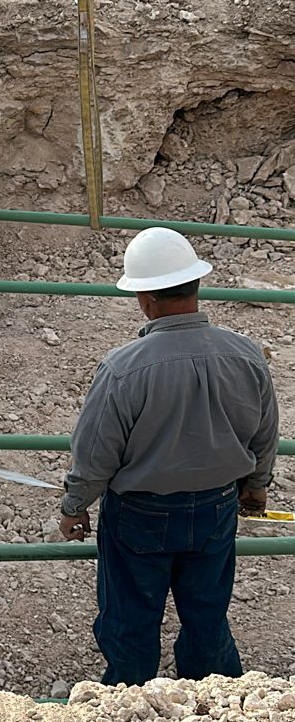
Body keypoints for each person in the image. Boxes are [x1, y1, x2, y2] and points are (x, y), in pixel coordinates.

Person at [58, 229, 279, 687]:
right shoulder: (246, 355)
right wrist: (256, 487)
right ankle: (213, 699)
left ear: (144, 298)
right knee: (206, 611)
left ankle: (128, 699)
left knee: (130, 616)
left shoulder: (125, 367)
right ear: (197, 285)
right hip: (218, 507)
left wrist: (75, 506)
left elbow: (95, 452)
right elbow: (264, 432)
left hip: (141, 512)